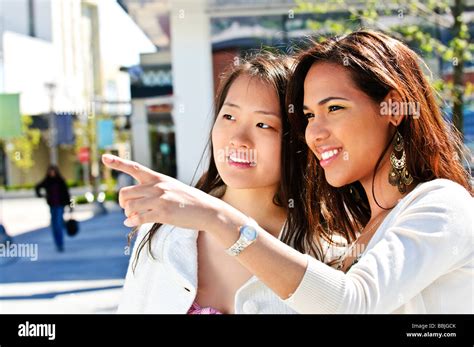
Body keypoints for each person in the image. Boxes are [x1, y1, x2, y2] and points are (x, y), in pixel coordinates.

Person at [103, 30, 473, 314]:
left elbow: (352, 303)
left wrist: (215, 216)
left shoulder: (441, 205)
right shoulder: (364, 229)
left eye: (335, 108)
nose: (316, 131)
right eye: (310, 116)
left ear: (394, 109)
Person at [114, 52, 323, 314]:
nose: (238, 139)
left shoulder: (325, 249)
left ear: (297, 140)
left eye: (262, 124)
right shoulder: (164, 230)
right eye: (229, 117)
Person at [35, 165, 71, 252]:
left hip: (60, 206)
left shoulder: (60, 181)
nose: (51, 173)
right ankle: (57, 243)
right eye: (50, 171)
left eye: (53, 171)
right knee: (54, 226)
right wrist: (40, 195)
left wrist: (70, 205)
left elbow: (67, 194)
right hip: (52, 206)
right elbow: (37, 187)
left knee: (58, 225)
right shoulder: (47, 181)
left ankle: (60, 243)